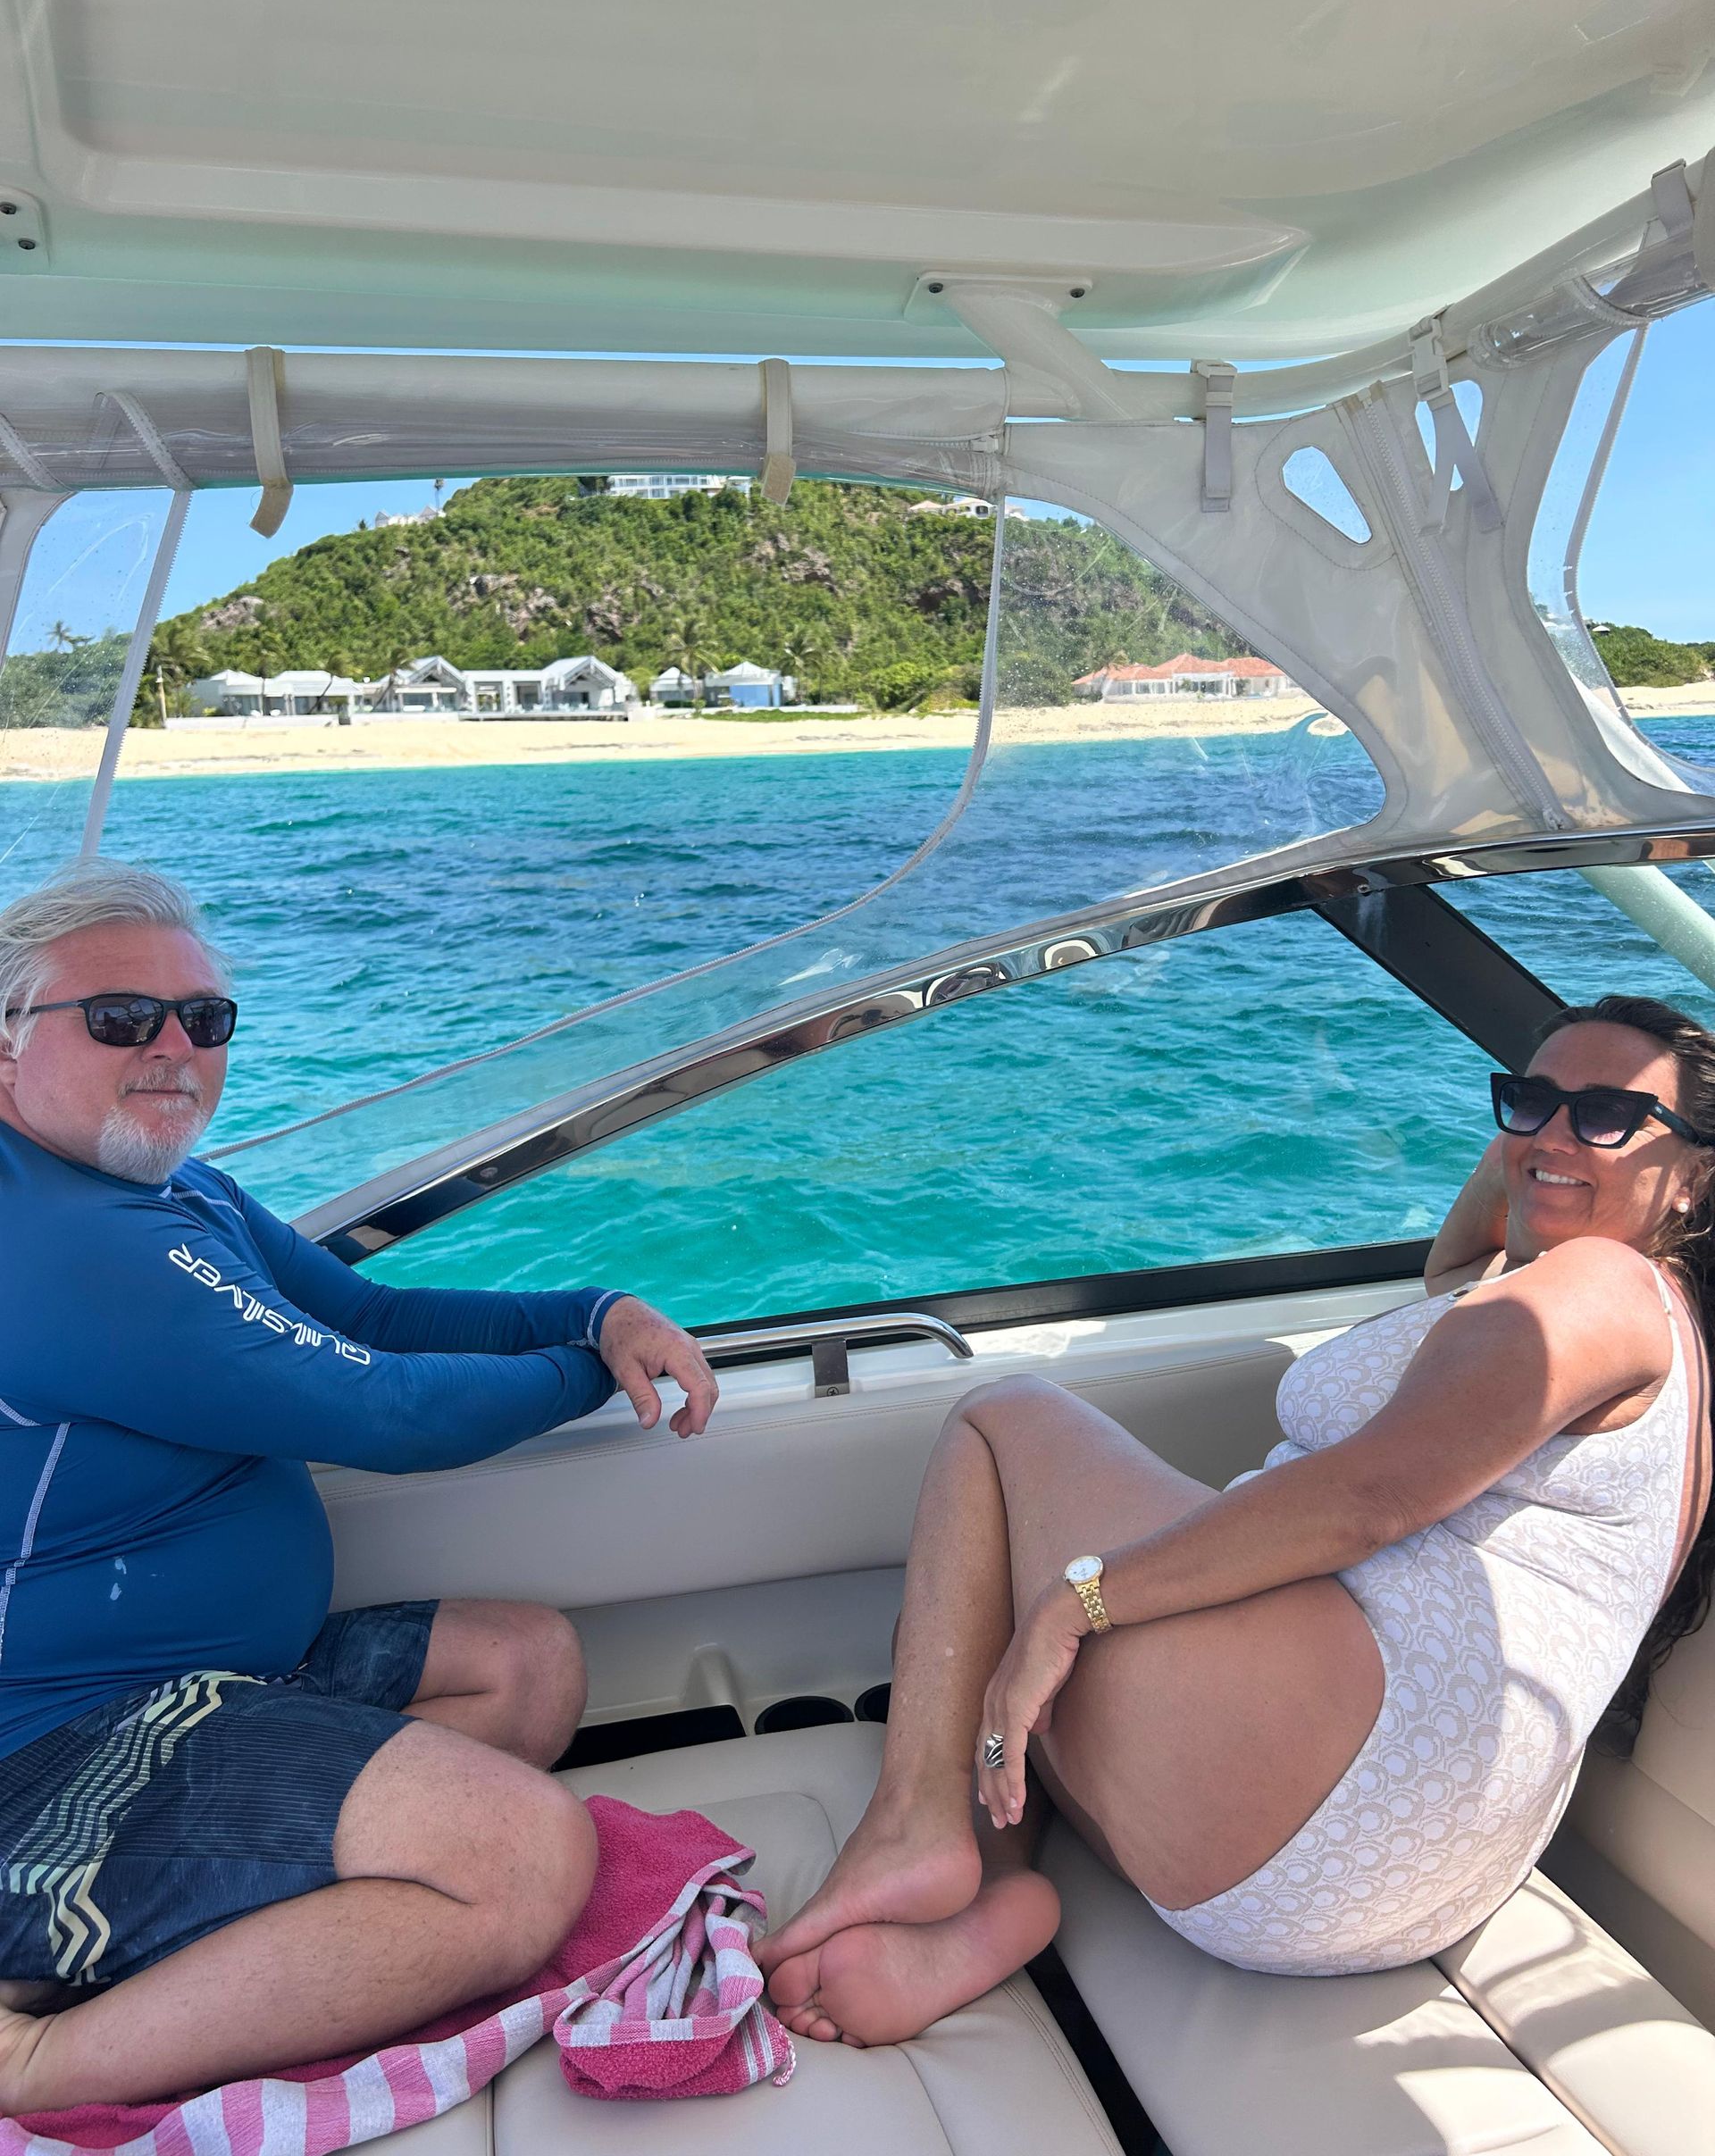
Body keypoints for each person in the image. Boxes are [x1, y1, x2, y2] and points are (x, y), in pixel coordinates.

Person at [761, 994, 1715, 2047]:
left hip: (1332, 1767)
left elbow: (1368, 1499)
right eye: (1528, 1101)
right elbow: (1462, 1257)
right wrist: (1558, 1144)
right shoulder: (1533, 1295)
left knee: (1002, 1420)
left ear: (1699, 1170)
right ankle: (987, 1891)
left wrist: (1079, 1605)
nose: (1551, 1134)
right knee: (971, 1626)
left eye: (1608, 1116)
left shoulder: (1603, 1285)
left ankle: (912, 1826)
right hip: (1386, 1879)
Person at [0, 859, 719, 2112]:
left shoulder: (168, 1191)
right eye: (122, 1018)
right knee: (521, 1856)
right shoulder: (58, 1246)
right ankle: (37, 2060)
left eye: (206, 1019)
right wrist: (591, 1370)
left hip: (208, 1689)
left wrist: (596, 1311)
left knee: (528, 1665)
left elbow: (374, 1314)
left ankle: (141, 1955)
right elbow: (383, 1408)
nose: (175, 1047)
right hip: (57, 1752)